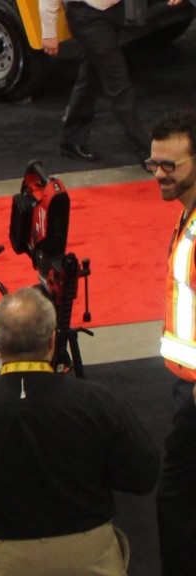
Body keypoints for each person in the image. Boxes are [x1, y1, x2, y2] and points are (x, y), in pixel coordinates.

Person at [0, 287, 159, 575]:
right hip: (90, 556)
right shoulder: (98, 401)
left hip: (5, 559)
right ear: (52, 340)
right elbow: (142, 476)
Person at [149, 108, 196, 576]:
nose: (159, 174)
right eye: (153, 165)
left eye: (170, 166)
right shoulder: (188, 217)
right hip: (186, 389)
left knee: (176, 501)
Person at [39, 0, 156, 162]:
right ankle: (149, 151)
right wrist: (49, 32)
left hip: (112, 11)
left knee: (90, 76)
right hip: (89, 18)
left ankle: (71, 140)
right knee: (118, 83)